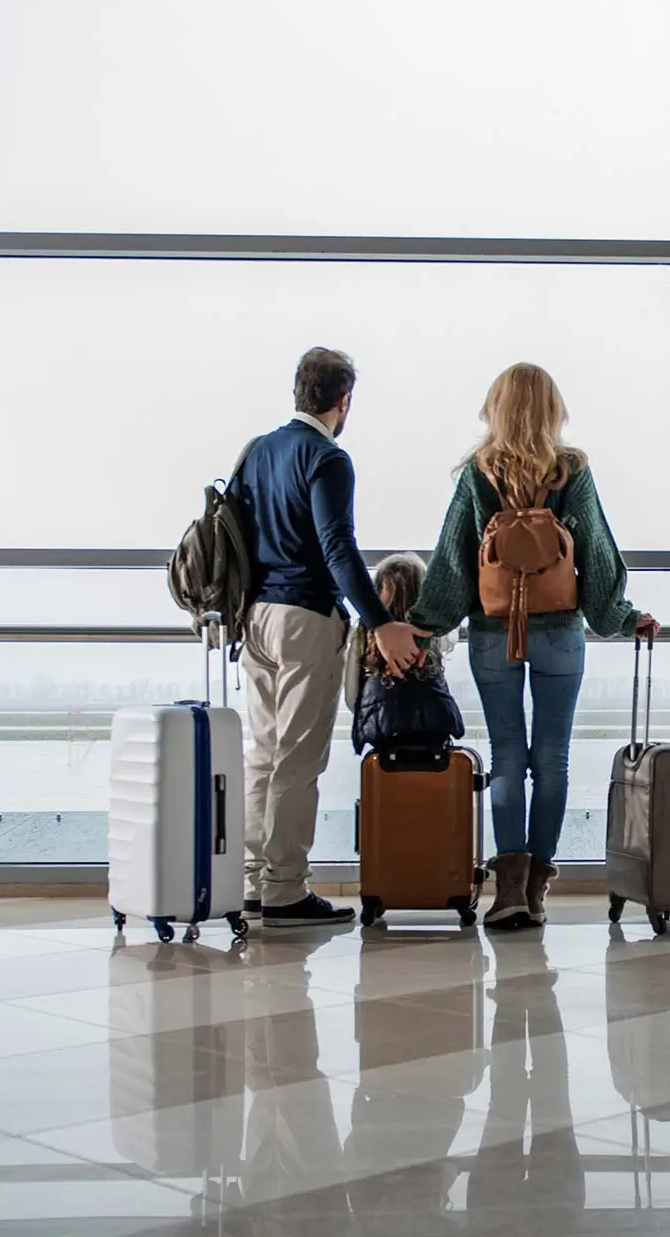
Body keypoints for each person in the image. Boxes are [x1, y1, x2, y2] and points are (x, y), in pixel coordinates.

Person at [408, 362, 659, 929]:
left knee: (506, 758)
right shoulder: (572, 471)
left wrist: (425, 621)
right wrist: (623, 617)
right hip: (561, 634)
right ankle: (539, 885)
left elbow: (453, 560)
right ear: (552, 408)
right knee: (552, 760)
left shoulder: (478, 473)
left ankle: (510, 892)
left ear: (495, 408)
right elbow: (595, 552)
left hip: (495, 633)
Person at [234, 346, 421, 928]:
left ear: (298, 391)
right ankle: (286, 888)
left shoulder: (255, 453)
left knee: (262, 756)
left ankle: (253, 882)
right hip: (304, 619)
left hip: (255, 619)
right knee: (297, 759)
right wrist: (380, 620)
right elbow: (338, 551)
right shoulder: (327, 458)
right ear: (345, 402)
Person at [343, 553, 464, 754]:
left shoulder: (363, 634)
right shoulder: (430, 633)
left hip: (380, 727)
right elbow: (451, 636)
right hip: (436, 724)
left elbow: (351, 696)